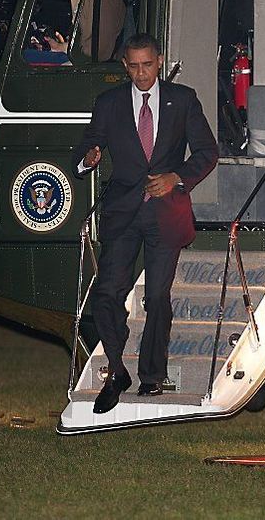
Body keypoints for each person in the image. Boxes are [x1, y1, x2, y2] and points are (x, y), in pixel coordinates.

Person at [73, 33, 218, 414]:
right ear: (125, 64)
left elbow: (207, 151)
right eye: (133, 66)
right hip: (123, 212)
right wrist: (87, 158)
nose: (141, 73)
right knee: (105, 294)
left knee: (156, 297)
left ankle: (152, 376)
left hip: (165, 213)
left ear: (160, 61)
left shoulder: (183, 99)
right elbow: (86, 144)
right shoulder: (109, 103)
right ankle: (117, 370)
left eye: (147, 65)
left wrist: (176, 177)